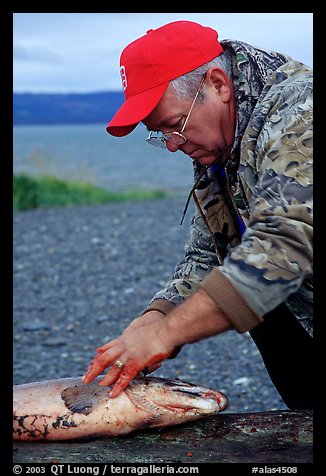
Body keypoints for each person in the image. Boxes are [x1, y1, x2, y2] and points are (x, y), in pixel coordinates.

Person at [82, 20, 313, 410]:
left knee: (260, 282)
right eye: (160, 135)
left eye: (174, 126)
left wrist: (166, 335)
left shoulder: (298, 114)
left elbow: (284, 248)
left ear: (218, 85)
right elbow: (212, 252)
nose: (173, 146)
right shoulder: (219, 137)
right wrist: (156, 317)